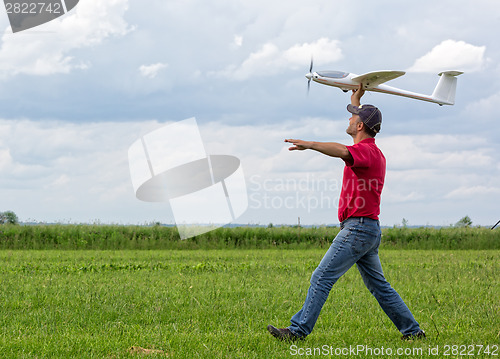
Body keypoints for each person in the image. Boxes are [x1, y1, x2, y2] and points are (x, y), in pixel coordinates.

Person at [267, 84, 425, 341]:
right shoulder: (373, 150)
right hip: (368, 229)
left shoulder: (365, 153)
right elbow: (354, 129)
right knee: (379, 286)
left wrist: (311, 144)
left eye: (353, 117)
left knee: (321, 277)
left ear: (360, 126)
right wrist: (355, 99)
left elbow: (342, 151)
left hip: (358, 229)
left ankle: (297, 332)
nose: (349, 118)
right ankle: (413, 332)